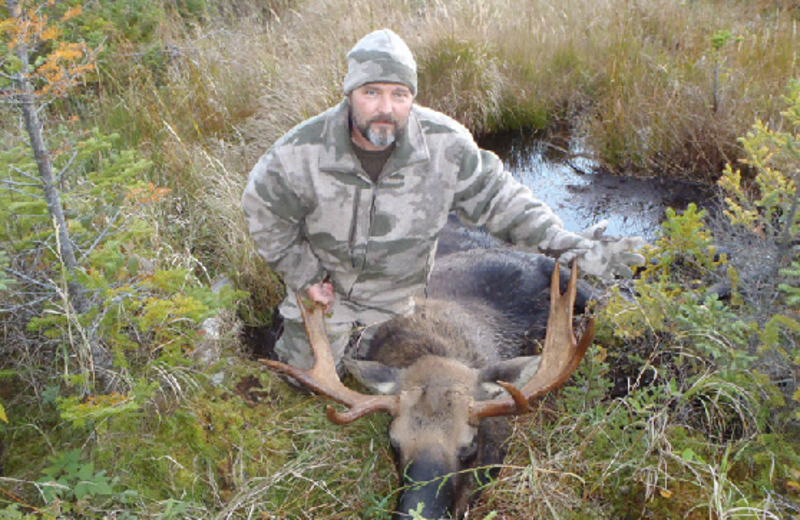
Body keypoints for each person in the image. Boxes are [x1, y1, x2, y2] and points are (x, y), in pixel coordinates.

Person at [242, 29, 644, 372]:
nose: (386, 108)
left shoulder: (446, 144)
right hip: (327, 300)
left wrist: (569, 248)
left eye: (399, 94)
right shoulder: (298, 152)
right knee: (305, 383)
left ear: (412, 97)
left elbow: (502, 201)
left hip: (404, 302)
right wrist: (306, 276)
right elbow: (262, 210)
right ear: (349, 94)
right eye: (371, 92)